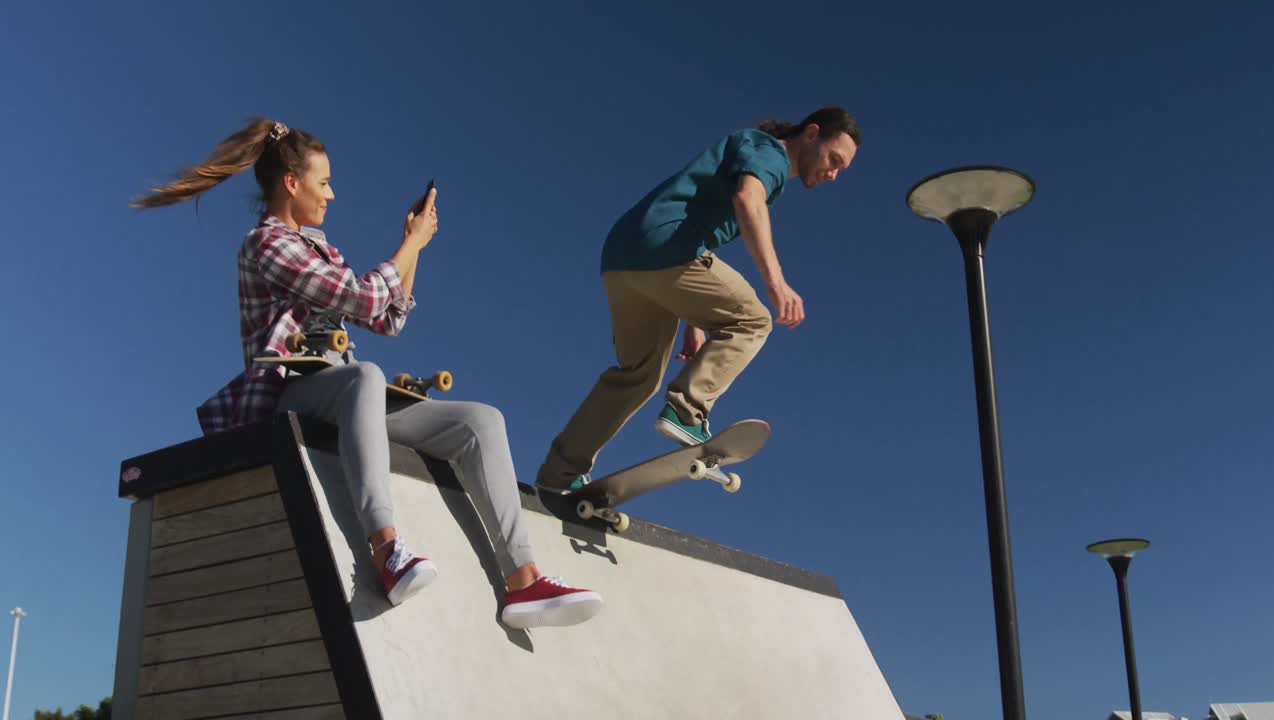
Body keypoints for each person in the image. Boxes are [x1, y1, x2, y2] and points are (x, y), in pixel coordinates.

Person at [132, 118, 602, 629]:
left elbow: (386, 317)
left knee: (479, 420)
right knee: (365, 377)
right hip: (282, 395)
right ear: (292, 183)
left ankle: (523, 581)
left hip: (339, 390)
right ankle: (387, 553)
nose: (332, 195)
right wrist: (408, 248)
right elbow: (363, 296)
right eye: (324, 182)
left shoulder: (319, 249)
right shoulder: (266, 245)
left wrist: (413, 246)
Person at [537, 107, 860, 492]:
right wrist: (776, 282)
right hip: (666, 248)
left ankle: (560, 473)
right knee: (753, 319)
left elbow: (703, 233)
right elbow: (747, 199)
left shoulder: (750, 150)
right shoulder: (769, 153)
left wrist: (696, 323)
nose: (833, 174)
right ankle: (687, 409)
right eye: (833, 160)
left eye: (842, 169)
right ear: (811, 134)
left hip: (625, 258)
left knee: (637, 375)